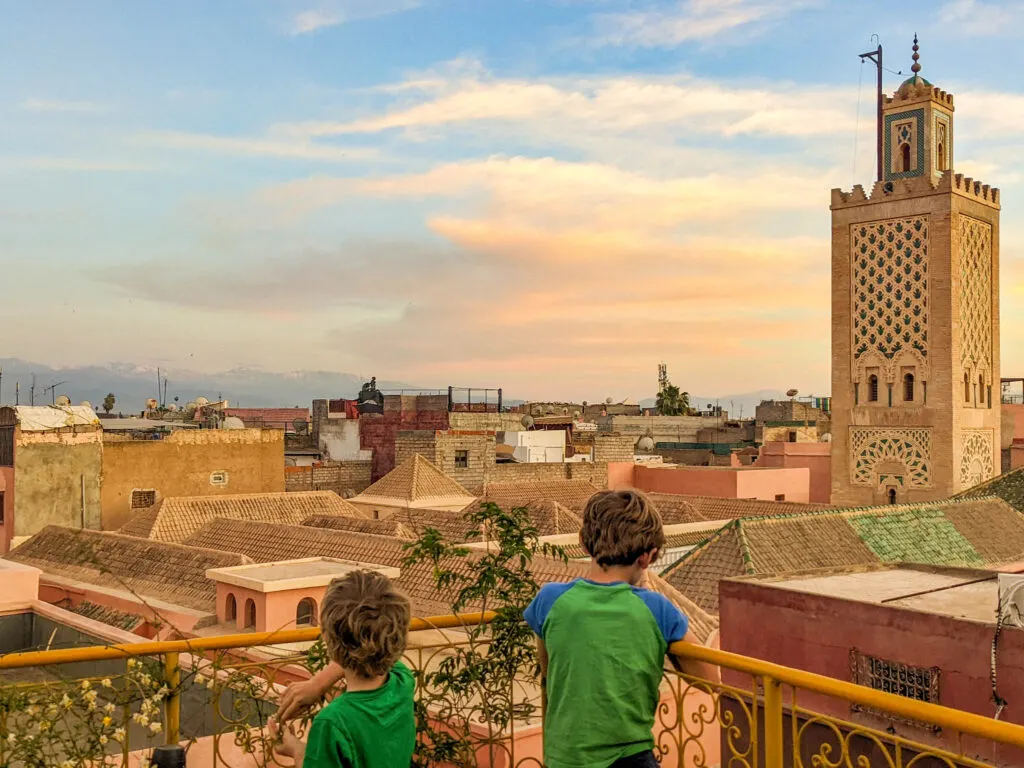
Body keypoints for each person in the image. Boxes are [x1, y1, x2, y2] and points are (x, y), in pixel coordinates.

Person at [524, 489, 720, 768]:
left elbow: (547, 670)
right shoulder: (657, 609)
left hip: (564, 758)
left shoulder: (549, 600)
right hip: (631, 759)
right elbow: (711, 679)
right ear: (648, 557)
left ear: (583, 543)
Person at [270, 570, 415, 768]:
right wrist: (318, 684)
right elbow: (374, 647)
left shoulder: (333, 723)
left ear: (329, 641)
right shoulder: (403, 681)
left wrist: (296, 750)